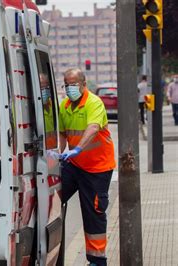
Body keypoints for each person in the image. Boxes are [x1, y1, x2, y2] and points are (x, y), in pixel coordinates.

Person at [58, 68, 115, 266]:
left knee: (93, 212)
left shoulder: (94, 102)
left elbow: (92, 128)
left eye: (73, 84)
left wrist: (78, 148)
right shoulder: (64, 106)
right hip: (74, 165)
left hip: (97, 169)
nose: (69, 88)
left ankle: (97, 261)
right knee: (53, 199)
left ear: (83, 84)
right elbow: (63, 133)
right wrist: (58, 152)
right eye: (66, 84)